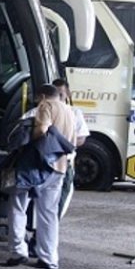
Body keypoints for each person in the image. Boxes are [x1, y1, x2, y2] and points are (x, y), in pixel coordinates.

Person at [4, 84, 76, 269]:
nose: (35, 102)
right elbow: (72, 142)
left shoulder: (46, 106)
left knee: (18, 205)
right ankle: (49, 257)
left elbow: (42, 129)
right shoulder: (70, 111)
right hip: (59, 167)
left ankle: (18, 251)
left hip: (37, 165)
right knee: (48, 213)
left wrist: (31, 138)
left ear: (43, 96)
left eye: (36, 98)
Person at [52, 78, 89, 218]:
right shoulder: (44, 110)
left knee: (60, 200)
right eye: (56, 94)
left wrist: (65, 143)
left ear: (67, 94)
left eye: (61, 94)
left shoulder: (74, 112)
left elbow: (81, 138)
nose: (59, 98)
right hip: (45, 162)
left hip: (65, 162)